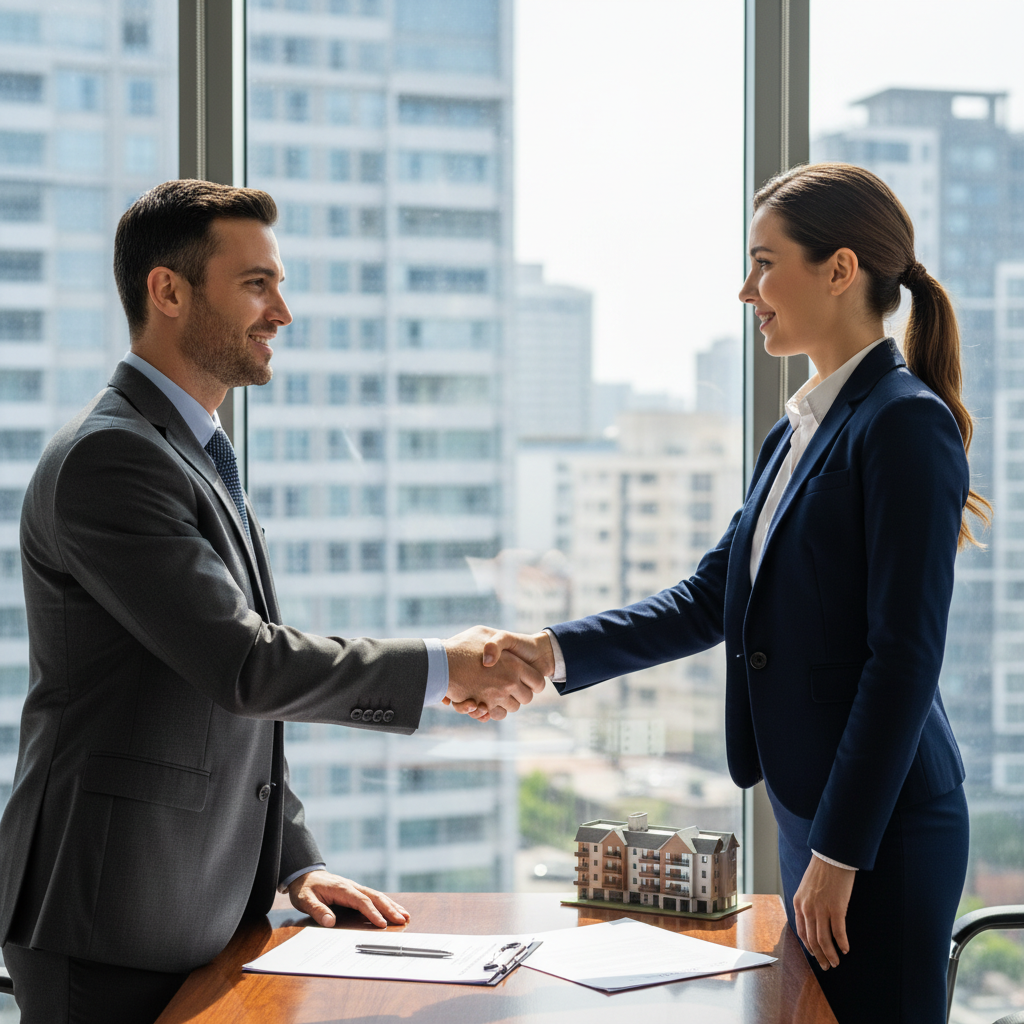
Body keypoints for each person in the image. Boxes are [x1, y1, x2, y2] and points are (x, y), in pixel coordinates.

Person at [0, 179, 543, 1024]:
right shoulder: (112, 459)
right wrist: (445, 667)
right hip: (110, 915)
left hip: (195, 907)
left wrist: (294, 860)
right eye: (257, 285)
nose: (281, 313)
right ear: (168, 291)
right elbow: (244, 665)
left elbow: (211, 696)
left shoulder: (190, 451)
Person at [462, 163, 989, 1023]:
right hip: (816, 812)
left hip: (881, 830)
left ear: (840, 270)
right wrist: (548, 652)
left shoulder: (903, 421)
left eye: (764, 264)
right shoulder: (798, 429)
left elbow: (904, 659)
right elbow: (714, 597)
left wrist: (841, 854)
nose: (747, 291)